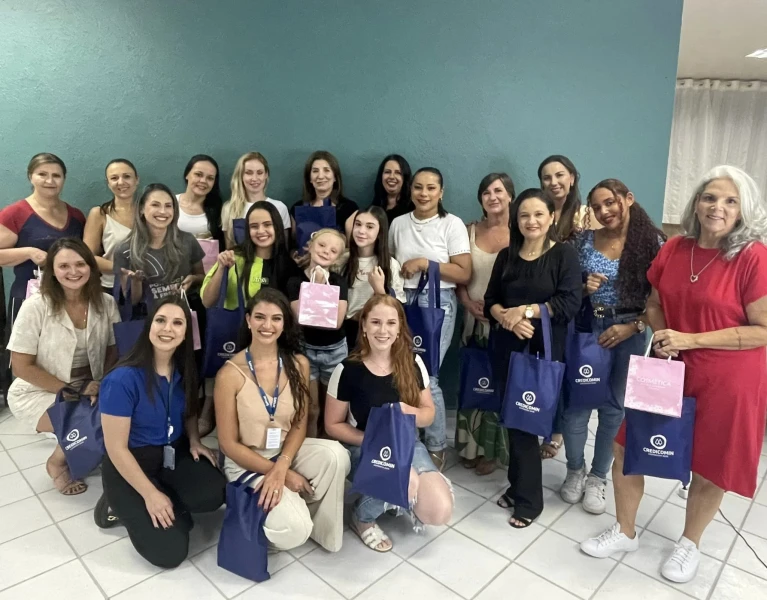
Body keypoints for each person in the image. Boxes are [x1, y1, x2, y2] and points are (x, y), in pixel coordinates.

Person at [581, 166, 767, 584]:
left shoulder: (753, 256)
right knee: (625, 446)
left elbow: (763, 329)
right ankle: (625, 531)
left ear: (743, 210)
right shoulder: (677, 248)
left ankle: (690, 543)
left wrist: (690, 339)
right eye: (710, 197)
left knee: (709, 464)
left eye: (730, 201)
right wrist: (665, 334)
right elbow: (653, 301)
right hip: (671, 367)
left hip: (730, 379)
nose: (717, 207)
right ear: (696, 202)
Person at [215, 288, 350, 552]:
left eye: (276, 318)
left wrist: (283, 466)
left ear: (285, 323)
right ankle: (267, 521)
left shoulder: (299, 364)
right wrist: (281, 473)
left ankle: (317, 525)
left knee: (337, 455)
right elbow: (228, 444)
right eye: (260, 317)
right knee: (294, 530)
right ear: (248, 320)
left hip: (285, 452)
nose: (267, 325)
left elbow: (300, 422)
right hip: (247, 462)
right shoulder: (229, 374)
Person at [560, 179, 665, 513]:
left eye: (610, 202)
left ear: (628, 199)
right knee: (577, 405)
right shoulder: (583, 241)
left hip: (630, 332)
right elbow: (565, 289)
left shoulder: (654, 243)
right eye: (596, 207)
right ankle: (574, 470)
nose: (604, 211)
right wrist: (584, 289)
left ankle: (597, 477)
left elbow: (661, 300)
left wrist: (632, 326)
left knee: (613, 408)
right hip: (589, 327)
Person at [97, 297, 226, 568]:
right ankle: (116, 501)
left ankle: (166, 500)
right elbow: (116, 448)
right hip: (130, 461)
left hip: (170, 453)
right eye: (161, 320)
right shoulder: (122, 379)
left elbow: (189, 410)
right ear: (149, 326)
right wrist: (150, 494)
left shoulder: (184, 369)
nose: (168, 328)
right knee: (170, 553)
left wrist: (194, 440)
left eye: (177, 323)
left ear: (186, 333)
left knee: (214, 491)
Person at [325, 295, 453, 552]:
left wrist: (409, 412)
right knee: (404, 480)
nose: (383, 330)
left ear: (399, 327)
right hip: (364, 445)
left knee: (438, 510)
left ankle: (399, 494)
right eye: (375, 322)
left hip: (407, 443)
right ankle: (362, 517)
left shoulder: (414, 363)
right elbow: (332, 425)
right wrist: (372, 440)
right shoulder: (347, 370)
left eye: (391, 323)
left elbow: (428, 414)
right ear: (364, 325)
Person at [485, 188, 581, 527]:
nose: (531, 221)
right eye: (524, 215)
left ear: (552, 216)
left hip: (541, 352)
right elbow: (491, 301)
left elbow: (569, 303)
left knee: (526, 424)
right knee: (513, 421)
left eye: (539, 214)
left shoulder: (563, 255)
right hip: (505, 349)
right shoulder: (506, 256)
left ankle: (529, 502)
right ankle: (516, 487)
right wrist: (506, 317)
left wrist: (526, 312)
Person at [7, 238, 119, 494]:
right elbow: (21, 367)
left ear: (90, 266)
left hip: (91, 384)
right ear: (52, 271)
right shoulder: (35, 306)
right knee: (95, 416)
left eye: (80, 264)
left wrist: (103, 385)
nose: (73, 272)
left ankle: (81, 441)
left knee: (118, 406)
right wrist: (74, 390)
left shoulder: (106, 303)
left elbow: (113, 351)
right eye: (64, 266)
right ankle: (57, 462)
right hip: (38, 391)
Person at [389, 167, 472, 470]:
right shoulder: (398, 223)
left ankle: (436, 445)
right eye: (418, 187)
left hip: (436, 302)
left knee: (428, 374)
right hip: (402, 302)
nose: (424, 193)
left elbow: (464, 272)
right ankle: (410, 441)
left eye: (431, 188)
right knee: (402, 371)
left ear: (441, 192)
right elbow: (391, 262)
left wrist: (426, 263)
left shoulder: (452, 224)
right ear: (410, 190)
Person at [455, 173, 514, 476]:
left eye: (499, 191)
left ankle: (492, 451)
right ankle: (469, 447)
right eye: (486, 192)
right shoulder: (467, 231)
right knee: (473, 381)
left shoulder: (522, 232)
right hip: (472, 321)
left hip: (506, 323)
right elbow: (459, 275)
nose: (493, 197)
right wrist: (467, 302)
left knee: (499, 385)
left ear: (510, 196)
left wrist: (499, 310)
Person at [536, 154, 589, 460]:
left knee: (569, 370)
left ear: (572, 177)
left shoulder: (586, 215)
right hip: (545, 306)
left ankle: (559, 432)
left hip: (578, 305)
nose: (553, 182)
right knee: (548, 367)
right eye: (547, 177)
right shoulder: (538, 213)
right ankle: (546, 424)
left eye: (559, 175)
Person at [0, 153, 86, 322]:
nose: (50, 181)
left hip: (69, 299)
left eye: (56, 176)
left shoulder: (76, 216)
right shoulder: (15, 214)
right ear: (30, 176)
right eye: (42, 174)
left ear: (64, 179)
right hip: (28, 298)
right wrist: (29, 252)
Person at [286, 229, 349, 437]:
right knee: (312, 409)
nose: (325, 251)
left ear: (337, 258)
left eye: (333, 250)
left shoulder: (339, 282)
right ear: (310, 246)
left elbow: (336, 322)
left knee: (332, 412)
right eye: (322, 245)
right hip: (305, 350)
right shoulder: (294, 281)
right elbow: (301, 318)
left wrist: (320, 290)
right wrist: (316, 286)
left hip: (335, 350)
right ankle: (312, 446)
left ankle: (330, 447)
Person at [113, 184, 205, 305]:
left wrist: (193, 279)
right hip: (146, 315)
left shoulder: (187, 240)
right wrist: (136, 283)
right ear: (141, 209)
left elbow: (202, 277)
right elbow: (131, 303)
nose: (163, 211)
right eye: (155, 205)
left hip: (183, 311)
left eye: (168, 206)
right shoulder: (124, 250)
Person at [201, 201, 299, 309]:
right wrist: (221, 268)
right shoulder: (233, 258)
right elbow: (207, 302)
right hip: (234, 320)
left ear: (277, 227)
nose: (261, 231)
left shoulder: (289, 266)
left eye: (267, 224)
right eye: (254, 226)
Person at [340, 206, 405, 349]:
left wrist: (379, 290)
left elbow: (398, 310)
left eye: (369, 227)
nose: (361, 231)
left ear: (380, 232)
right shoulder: (341, 260)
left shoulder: (391, 265)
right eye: (358, 224)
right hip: (344, 332)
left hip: (376, 333)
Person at [84, 159, 138, 293]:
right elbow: (87, 256)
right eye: (114, 178)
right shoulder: (99, 214)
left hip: (147, 287)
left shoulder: (149, 212)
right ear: (108, 183)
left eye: (127, 176)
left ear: (136, 180)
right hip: (111, 287)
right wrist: (121, 269)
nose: (121, 182)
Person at [222, 152, 291, 248]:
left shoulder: (280, 207)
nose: (254, 178)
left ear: (266, 175)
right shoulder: (229, 209)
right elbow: (229, 249)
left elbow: (284, 248)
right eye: (248, 173)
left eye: (260, 173)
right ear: (241, 176)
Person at [289, 151, 359, 246]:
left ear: (335, 177)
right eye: (315, 171)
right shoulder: (296, 208)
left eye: (326, 170)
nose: (320, 176)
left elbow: (351, 248)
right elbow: (293, 245)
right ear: (310, 178)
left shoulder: (349, 208)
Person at [343, 154, 413, 238]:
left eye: (398, 173)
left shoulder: (412, 210)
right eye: (387, 172)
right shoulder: (373, 208)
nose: (391, 176)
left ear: (405, 178)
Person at [175, 155, 225, 247]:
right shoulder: (170, 204)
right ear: (187, 175)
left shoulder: (220, 210)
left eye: (210, 178)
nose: (203, 181)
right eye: (198, 174)